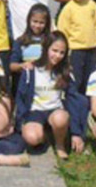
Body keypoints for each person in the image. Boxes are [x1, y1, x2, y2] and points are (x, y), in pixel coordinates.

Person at [14, 31, 86, 160]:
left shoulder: (65, 72)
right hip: (35, 110)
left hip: (55, 110)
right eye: (54, 50)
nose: (57, 55)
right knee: (32, 138)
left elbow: (74, 100)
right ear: (46, 48)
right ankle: (46, 135)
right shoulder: (31, 70)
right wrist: (21, 123)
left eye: (62, 52)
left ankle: (60, 145)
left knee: (60, 119)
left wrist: (76, 133)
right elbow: (21, 97)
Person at [57, 0, 96, 93]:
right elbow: (63, 31)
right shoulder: (68, 9)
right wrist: (65, 51)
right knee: (76, 79)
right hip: (76, 50)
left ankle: (88, 106)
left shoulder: (91, 4)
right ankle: (75, 105)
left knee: (90, 79)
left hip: (92, 49)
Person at [9, 3, 51, 75]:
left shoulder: (50, 41)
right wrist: (22, 66)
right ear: (29, 21)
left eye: (41, 23)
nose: (37, 25)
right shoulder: (20, 41)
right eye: (35, 21)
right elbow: (12, 65)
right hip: (25, 80)